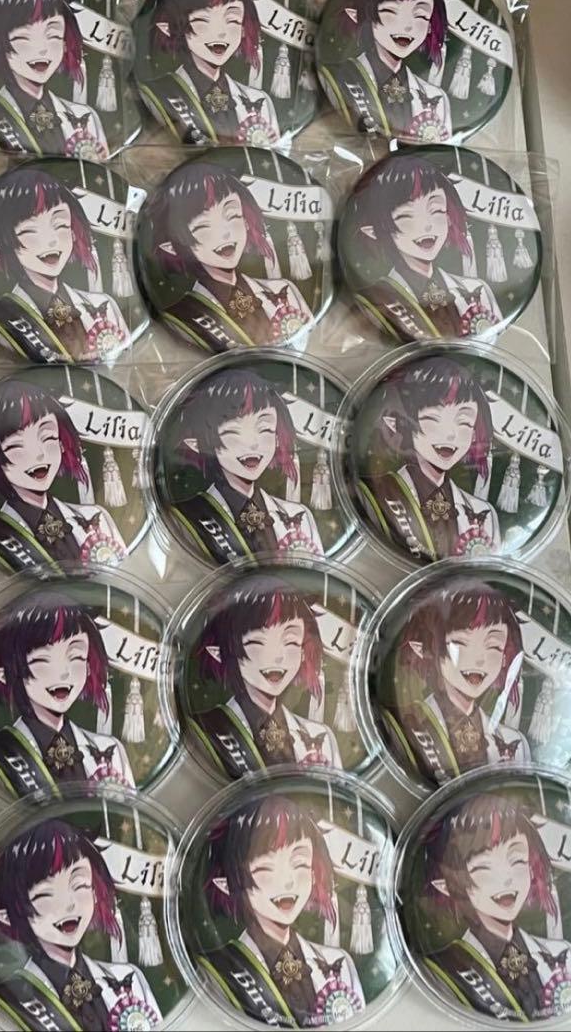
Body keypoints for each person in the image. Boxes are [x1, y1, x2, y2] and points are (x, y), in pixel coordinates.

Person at [422, 794, 571, 1021]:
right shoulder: (442, 969)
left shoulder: (564, 955)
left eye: (517, 860)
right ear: (447, 886)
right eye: (483, 867)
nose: (506, 878)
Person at [198, 796, 365, 1027]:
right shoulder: (218, 969)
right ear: (226, 883)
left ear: (313, 872)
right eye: (266, 868)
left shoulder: (339, 962)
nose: (288, 882)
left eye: (300, 863)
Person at [0, 819, 162, 1029]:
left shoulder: (129, 979)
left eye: (79, 885)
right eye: (45, 894)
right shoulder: (10, 997)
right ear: (7, 915)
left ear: (94, 891)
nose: (69, 904)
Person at [0, 592, 134, 796]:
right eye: (42, 660)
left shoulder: (111, 749)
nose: (63, 672)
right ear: (4, 673)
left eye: (76, 656)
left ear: (88, 665)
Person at [0, 380, 127, 571]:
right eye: (16, 446)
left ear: (61, 443)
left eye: (48, 437)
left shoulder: (97, 517)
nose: (39, 454)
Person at [144, 162, 313, 351]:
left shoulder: (285, 290)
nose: (225, 233)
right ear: (172, 247)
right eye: (202, 226)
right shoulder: (179, 317)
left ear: (246, 220)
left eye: (232, 215)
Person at [0, 168, 129, 362]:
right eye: (29, 231)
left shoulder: (105, 305)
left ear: (73, 231)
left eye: (60, 225)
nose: (51, 241)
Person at [166, 367, 322, 564]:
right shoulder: (184, 517)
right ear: (197, 444)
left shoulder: (299, 516)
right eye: (233, 431)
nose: (253, 443)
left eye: (264, 429)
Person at [381, 580, 528, 785]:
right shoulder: (406, 722)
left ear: (505, 656)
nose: (479, 659)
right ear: (429, 648)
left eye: (494, 646)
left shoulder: (515, 742)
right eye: (460, 642)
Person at [191, 576, 341, 775]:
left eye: (291, 641)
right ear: (221, 651)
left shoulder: (322, 737)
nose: (277, 656)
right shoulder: (203, 730)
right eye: (257, 642)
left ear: (303, 650)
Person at [356, 356, 500, 561]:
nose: (450, 434)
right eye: (433, 418)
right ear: (401, 422)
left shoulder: (484, 513)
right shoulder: (374, 493)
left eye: (464, 422)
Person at [349, 153, 503, 340]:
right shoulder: (376, 298)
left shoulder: (478, 289)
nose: (426, 225)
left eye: (436, 210)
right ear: (374, 231)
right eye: (406, 216)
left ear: (448, 215)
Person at [0, 0, 109, 158]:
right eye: (23, 37)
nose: (42, 49)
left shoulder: (85, 116)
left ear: (65, 43)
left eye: (53, 35)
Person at [139, 0, 281, 146]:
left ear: (243, 28)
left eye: (232, 20)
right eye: (203, 19)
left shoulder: (259, 100)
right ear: (173, 27)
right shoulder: (155, 94)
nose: (221, 32)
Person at [319, 0, 452, 142]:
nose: (407, 26)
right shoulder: (335, 79)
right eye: (391, 11)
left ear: (430, 25)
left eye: (420, 15)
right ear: (362, 16)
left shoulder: (437, 98)